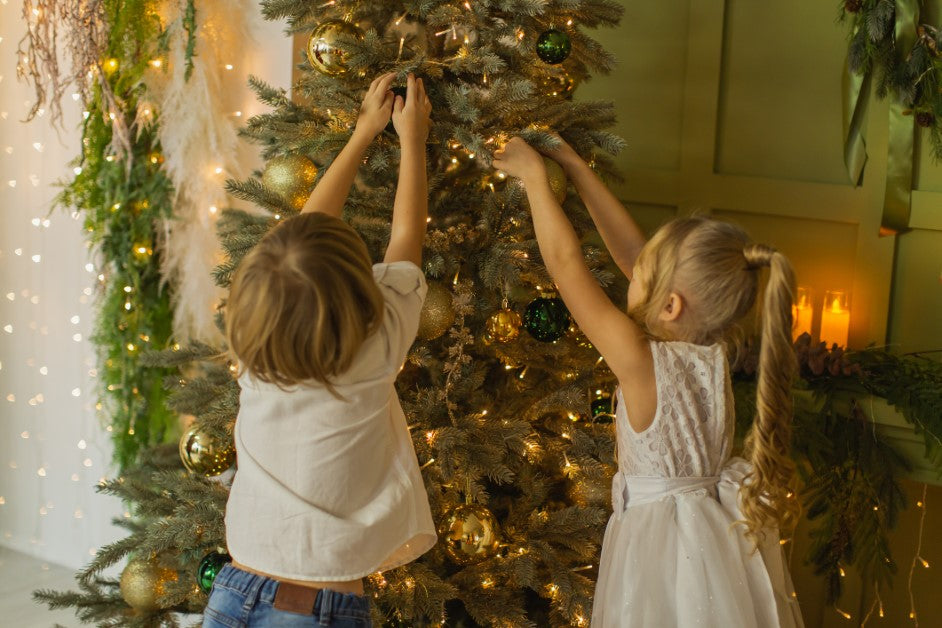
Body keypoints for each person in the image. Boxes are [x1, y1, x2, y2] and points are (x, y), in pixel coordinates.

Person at [493, 135, 805, 627]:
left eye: (644, 273)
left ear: (670, 306)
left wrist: (535, 179)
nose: (630, 271)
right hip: (709, 546)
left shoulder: (640, 362)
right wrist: (573, 167)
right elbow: (634, 255)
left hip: (658, 557)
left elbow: (565, 265)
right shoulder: (711, 352)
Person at [203, 73, 435, 628]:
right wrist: (411, 140)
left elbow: (302, 241)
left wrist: (359, 134)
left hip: (235, 586)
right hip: (317, 609)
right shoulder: (377, 346)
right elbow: (406, 242)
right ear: (360, 292)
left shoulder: (257, 358)